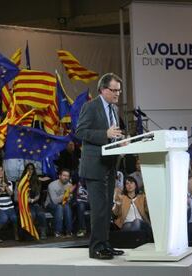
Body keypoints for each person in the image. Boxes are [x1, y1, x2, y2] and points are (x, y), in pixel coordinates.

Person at [76, 72, 125, 260]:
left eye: (119, 91)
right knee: (98, 209)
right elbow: (81, 131)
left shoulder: (113, 109)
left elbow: (112, 134)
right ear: (103, 89)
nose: (117, 95)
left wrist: (120, 141)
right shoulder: (90, 106)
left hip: (109, 165)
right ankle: (96, 248)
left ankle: (105, 244)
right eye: (114, 91)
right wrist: (105, 133)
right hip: (94, 166)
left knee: (107, 208)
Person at [18, 163, 47, 240]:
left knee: (41, 214)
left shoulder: (37, 181)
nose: (30, 170)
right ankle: (29, 233)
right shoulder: (20, 181)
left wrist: (33, 200)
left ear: (34, 170)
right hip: (23, 204)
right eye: (28, 169)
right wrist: (24, 198)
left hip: (34, 203)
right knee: (32, 214)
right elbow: (16, 197)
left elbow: (38, 195)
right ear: (25, 170)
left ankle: (43, 232)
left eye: (32, 169)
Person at [0, 165, 18, 243]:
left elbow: (11, 194)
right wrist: (0, 191)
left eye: (2, 170)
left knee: (14, 217)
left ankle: (16, 234)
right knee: (4, 217)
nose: (0, 172)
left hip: (9, 207)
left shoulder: (9, 182)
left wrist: (6, 187)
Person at [45, 168, 75, 238]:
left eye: (67, 176)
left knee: (66, 206)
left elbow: (70, 200)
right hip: (50, 204)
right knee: (59, 207)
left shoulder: (69, 185)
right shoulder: (52, 185)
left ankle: (69, 231)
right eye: (64, 175)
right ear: (59, 176)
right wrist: (66, 194)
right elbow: (54, 201)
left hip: (63, 204)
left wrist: (69, 196)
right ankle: (57, 232)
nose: (66, 177)